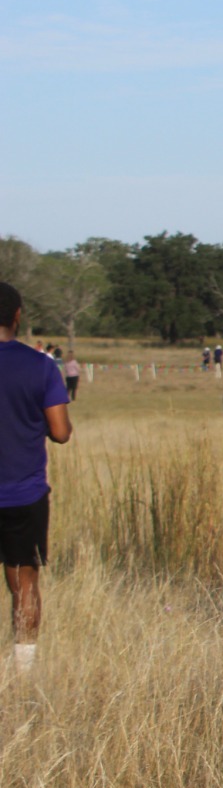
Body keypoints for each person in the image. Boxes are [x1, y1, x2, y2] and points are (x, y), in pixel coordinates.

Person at [0, 284, 73, 671]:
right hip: (22, 493)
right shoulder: (40, 365)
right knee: (23, 581)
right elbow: (60, 432)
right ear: (17, 316)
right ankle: (23, 672)